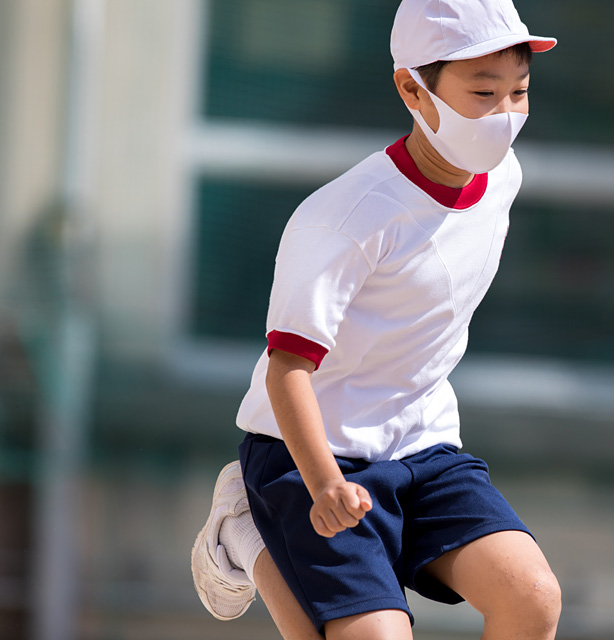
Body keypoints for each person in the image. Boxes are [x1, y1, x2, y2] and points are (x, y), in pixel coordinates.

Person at [191, 1, 561, 638]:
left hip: (425, 445)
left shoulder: (504, 178)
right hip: (312, 454)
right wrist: (323, 484)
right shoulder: (345, 218)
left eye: (518, 92)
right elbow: (286, 370)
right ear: (412, 89)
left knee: (532, 598)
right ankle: (249, 527)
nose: (504, 114)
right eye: (483, 93)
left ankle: (272, 534)